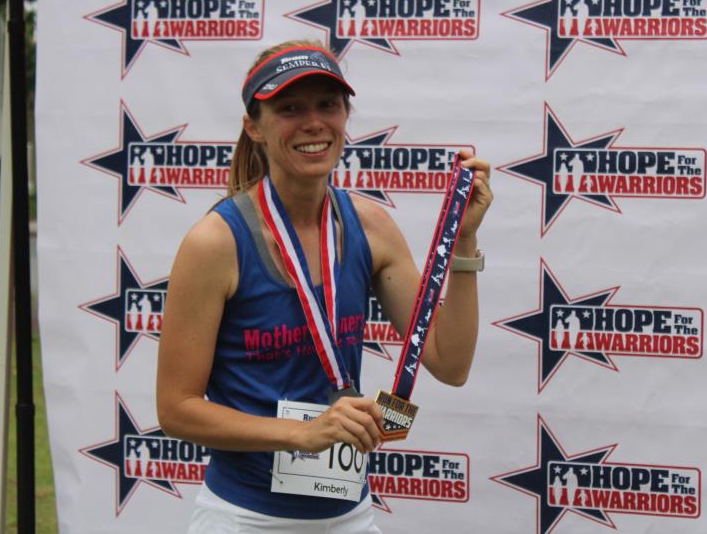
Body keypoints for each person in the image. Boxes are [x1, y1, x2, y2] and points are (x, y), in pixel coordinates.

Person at [156, 40, 493, 532]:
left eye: (328, 105)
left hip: (349, 516)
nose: (314, 123)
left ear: (345, 116)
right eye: (290, 109)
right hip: (244, 518)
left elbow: (450, 363)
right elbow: (176, 410)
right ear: (254, 126)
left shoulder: (370, 226)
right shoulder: (217, 242)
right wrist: (302, 433)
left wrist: (465, 241)